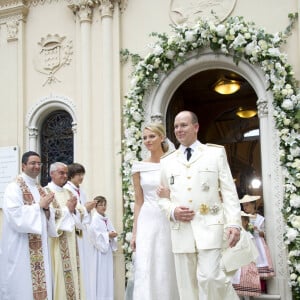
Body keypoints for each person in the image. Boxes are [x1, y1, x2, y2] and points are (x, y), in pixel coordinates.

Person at [158, 110, 242, 300]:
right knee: (187, 287)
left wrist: (234, 223)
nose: (179, 130)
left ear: (196, 127)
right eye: (176, 126)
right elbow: (162, 197)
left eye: (183, 125)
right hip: (181, 231)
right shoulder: (167, 161)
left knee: (212, 278)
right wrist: (172, 211)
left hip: (211, 228)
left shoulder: (215, 153)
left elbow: (229, 192)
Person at [130, 123, 179, 300]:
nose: (148, 141)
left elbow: (183, 192)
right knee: (146, 263)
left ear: (161, 138)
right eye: (144, 137)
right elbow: (138, 201)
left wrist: (169, 195)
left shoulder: (173, 162)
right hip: (147, 220)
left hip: (168, 218)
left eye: (152, 136)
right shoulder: (138, 167)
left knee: (166, 262)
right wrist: (134, 233)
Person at [0, 151, 56, 300]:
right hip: (21, 247)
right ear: (23, 166)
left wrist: (46, 209)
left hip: (40, 248)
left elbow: (46, 217)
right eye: (33, 163)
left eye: (39, 163)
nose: (37, 166)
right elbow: (14, 215)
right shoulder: (14, 187)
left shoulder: (40, 189)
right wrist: (39, 206)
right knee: (22, 285)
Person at [45, 162, 90, 300]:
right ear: (52, 174)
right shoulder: (45, 192)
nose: (65, 176)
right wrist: (68, 210)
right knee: (58, 276)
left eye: (66, 173)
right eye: (61, 173)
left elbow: (80, 212)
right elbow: (47, 215)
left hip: (72, 242)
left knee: (74, 277)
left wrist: (78, 210)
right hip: (56, 243)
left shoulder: (69, 192)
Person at [64, 162, 96, 300]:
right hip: (73, 232)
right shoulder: (66, 190)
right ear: (71, 175)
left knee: (85, 266)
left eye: (82, 174)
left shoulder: (81, 191)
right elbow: (69, 212)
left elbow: (83, 213)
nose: (81, 177)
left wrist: (86, 211)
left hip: (82, 232)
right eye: (78, 174)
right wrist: (85, 209)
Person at [240, 194, 275, 292]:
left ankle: (261, 288)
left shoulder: (259, 218)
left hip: (257, 243)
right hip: (246, 244)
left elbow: (264, 234)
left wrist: (257, 230)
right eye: (244, 205)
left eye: (247, 205)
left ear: (253, 205)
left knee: (259, 263)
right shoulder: (242, 216)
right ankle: (248, 287)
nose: (245, 207)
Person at [88, 195, 118, 300]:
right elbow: (94, 236)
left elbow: (110, 231)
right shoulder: (94, 219)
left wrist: (113, 235)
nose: (103, 207)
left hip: (107, 252)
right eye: (101, 204)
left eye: (105, 204)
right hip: (99, 253)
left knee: (107, 277)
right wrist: (107, 235)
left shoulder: (106, 219)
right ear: (95, 206)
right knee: (100, 277)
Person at [232, 211, 261, 299]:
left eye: (241, 220)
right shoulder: (235, 234)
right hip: (235, 262)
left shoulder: (248, 235)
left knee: (246, 284)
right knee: (235, 288)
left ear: (245, 222)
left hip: (246, 263)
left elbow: (253, 250)